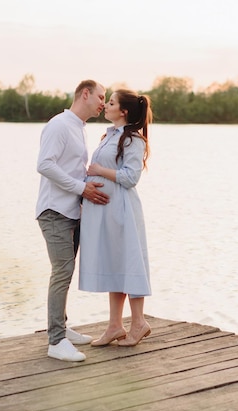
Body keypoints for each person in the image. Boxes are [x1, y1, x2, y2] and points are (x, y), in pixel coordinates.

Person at [36, 79, 110, 362]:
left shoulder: (79, 128)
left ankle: (62, 329)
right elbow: (44, 164)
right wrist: (82, 189)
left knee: (65, 273)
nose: (103, 102)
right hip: (54, 211)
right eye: (101, 97)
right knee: (62, 272)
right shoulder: (59, 124)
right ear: (85, 94)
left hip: (72, 211)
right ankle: (56, 341)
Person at [79, 89, 153, 347]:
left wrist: (100, 170)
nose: (106, 105)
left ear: (123, 111)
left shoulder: (134, 140)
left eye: (110, 102)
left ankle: (139, 323)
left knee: (130, 263)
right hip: (106, 213)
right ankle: (114, 325)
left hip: (123, 212)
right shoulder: (109, 136)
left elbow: (131, 177)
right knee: (114, 263)